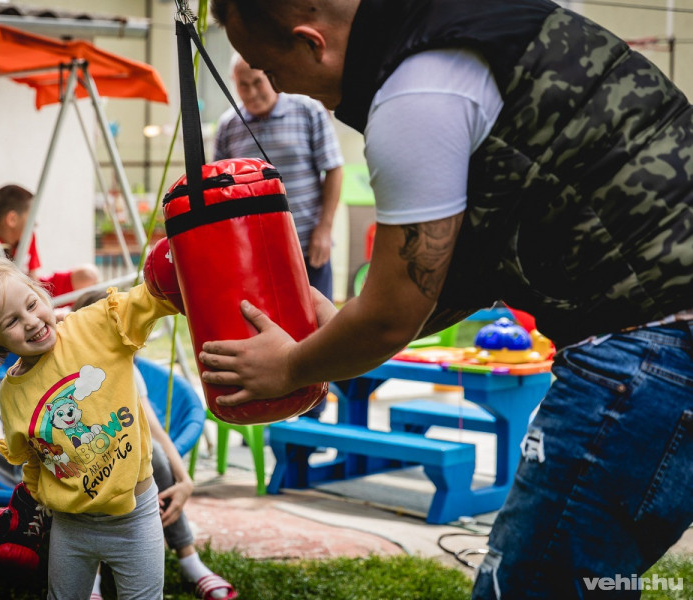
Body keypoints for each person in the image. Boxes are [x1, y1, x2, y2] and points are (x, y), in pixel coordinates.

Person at [201, 1, 693, 598]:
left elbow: (388, 319)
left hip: (651, 344)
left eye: (270, 70)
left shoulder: (415, 95)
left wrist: (290, 366)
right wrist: (341, 327)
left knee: (533, 585)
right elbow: (463, 267)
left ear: (312, 43)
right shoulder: (457, 24)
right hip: (663, 332)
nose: (280, 88)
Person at [0, 255, 177, 599]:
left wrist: (179, 264)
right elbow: (36, 459)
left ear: (41, 291)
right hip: (70, 526)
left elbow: (151, 300)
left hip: (135, 517)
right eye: (11, 321)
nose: (31, 321)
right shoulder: (13, 396)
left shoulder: (95, 327)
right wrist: (24, 508)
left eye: (32, 303)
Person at [69, 292, 237, 600]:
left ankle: (189, 559)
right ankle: (90, 580)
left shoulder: (126, 370)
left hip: (128, 469)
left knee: (152, 453)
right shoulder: (68, 378)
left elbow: (156, 431)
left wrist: (185, 481)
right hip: (78, 467)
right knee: (93, 461)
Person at [214, 52, 344, 419]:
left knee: (313, 335)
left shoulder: (307, 109)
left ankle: (313, 417)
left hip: (307, 245)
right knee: (260, 334)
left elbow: (334, 170)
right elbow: (216, 190)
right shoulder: (228, 125)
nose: (253, 91)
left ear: (270, 76)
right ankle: (272, 414)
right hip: (252, 260)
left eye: (258, 81)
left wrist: (325, 228)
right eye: (244, 85)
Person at [0, 183, 100, 307]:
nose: (35, 223)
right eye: (31, 217)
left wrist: (40, 298)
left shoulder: (28, 237)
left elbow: (34, 278)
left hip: (34, 288)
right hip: (15, 300)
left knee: (88, 275)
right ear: (12, 219)